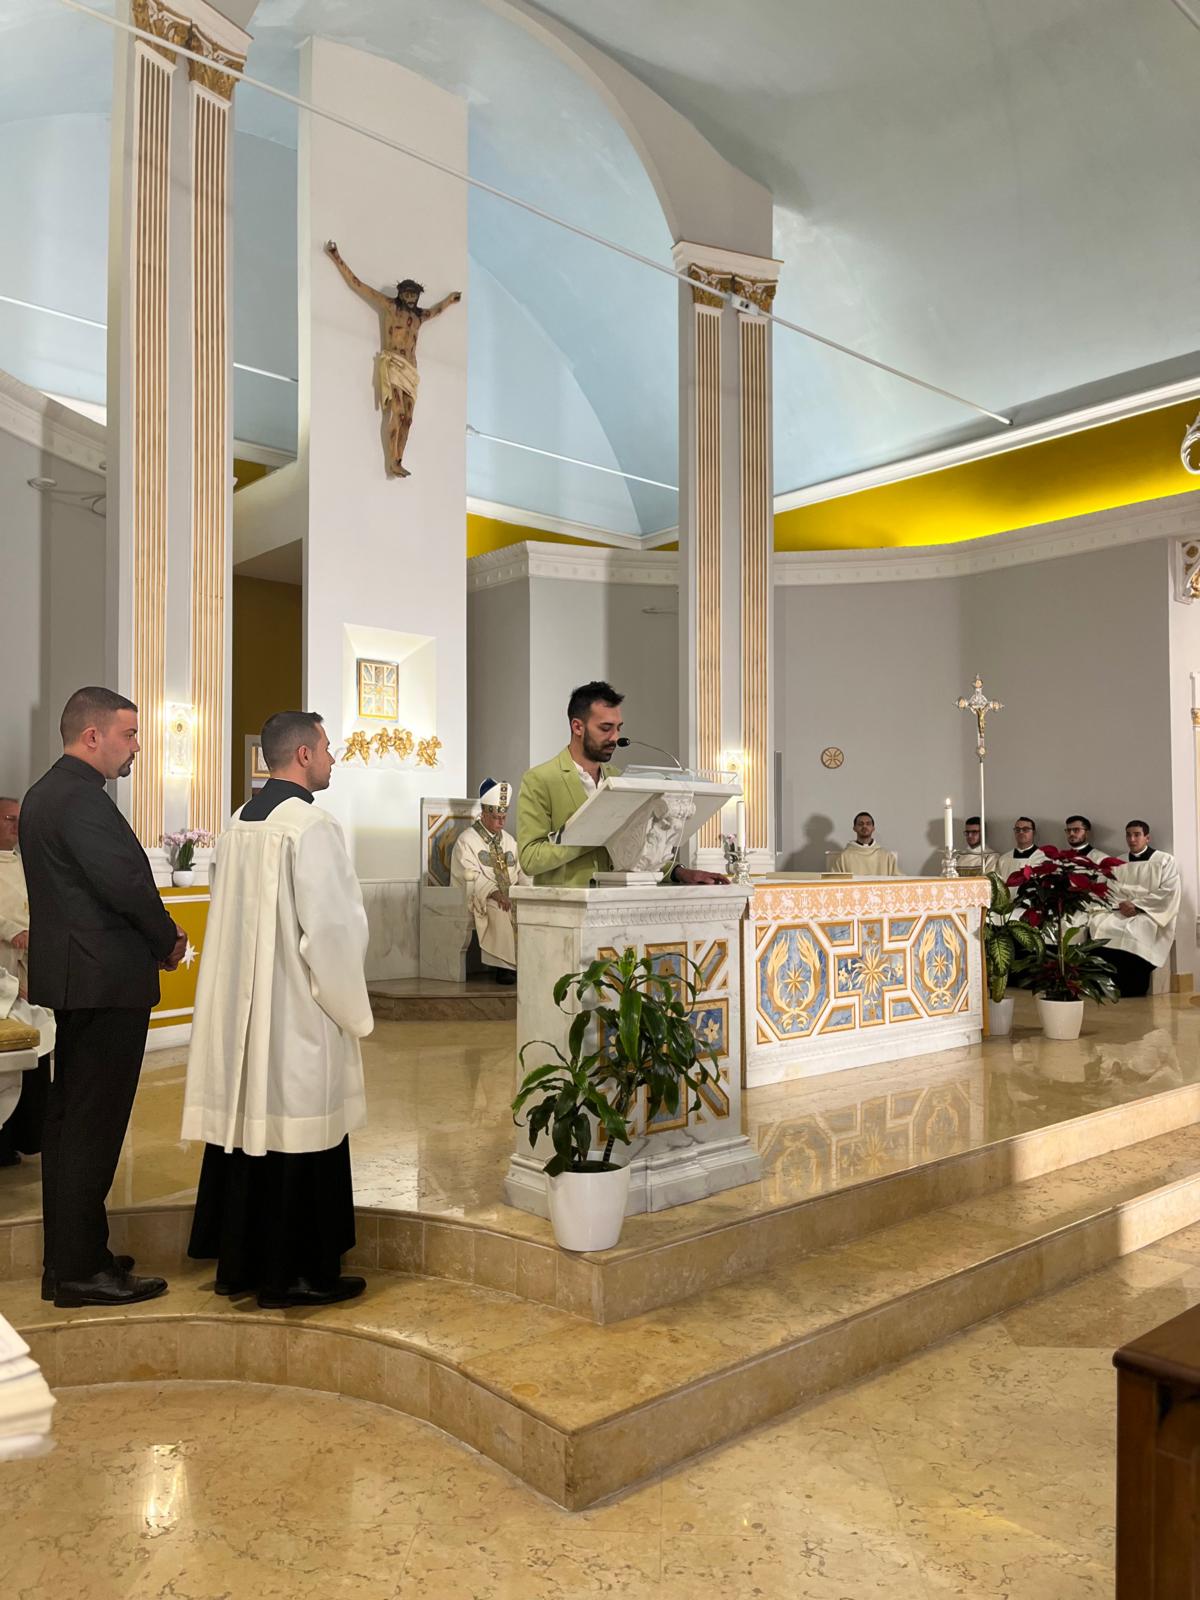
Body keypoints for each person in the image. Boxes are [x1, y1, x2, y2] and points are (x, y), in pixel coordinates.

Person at [182, 711, 373, 1309]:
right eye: (327, 748)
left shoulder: (239, 821)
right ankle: (298, 1274)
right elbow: (333, 932)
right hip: (295, 1010)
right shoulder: (311, 826)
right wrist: (350, 1008)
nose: (333, 759)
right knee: (300, 1126)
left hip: (244, 1012)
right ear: (304, 755)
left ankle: (242, 1267)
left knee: (253, 1129)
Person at [20, 688, 185, 1308]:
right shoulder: (82, 798)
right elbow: (126, 884)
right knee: (92, 1129)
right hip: (105, 982)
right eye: (129, 734)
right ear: (93, 736)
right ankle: (81, 1270)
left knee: (70, 1126)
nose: (136, 746)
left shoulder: (47, 794)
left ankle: (69, 1258)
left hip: (78, 980)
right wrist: (166, 938)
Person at [517, 681, 728, 888]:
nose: (615, 737)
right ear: (578, 727)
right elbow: (530, 859)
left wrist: (679, 872)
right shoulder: (540, 779)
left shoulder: (620, 779)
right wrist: (594, 833)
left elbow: (637, 849)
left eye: (618, 728)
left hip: (620, 902)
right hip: (570, 906)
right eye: (605, 728)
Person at [324, 241, 461, 479]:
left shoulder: (419, 317)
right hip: (394, 363)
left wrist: (450, 300)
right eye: (407, 293)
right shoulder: (390, 307)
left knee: (408, 418)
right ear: (400, 293)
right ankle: (393, 460)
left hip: (411, 370)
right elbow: (358, 284)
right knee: (397, 412)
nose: (411, 297)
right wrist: (337, 257)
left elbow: (436, 310)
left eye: (414, 294)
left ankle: (399, 458)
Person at [0, 795, 53, 1166]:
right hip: (3, 970)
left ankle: (28, 1134)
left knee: (36, 1046)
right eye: (9, 819)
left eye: (20, 819)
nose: (17, 826)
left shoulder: (26, 862)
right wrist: (10, 930)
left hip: (31, 967)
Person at [1089, 820, 1181, 997]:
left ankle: (1132, 987)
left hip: (1149, 912)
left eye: (1137, 835)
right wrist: (1121, 905)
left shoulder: (1164, 860)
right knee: (1100, 925)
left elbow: (1169, 891)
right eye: (1128, 835)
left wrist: (1137, 905)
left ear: (1147, 837)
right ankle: (1105, 985)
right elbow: (1110, 889)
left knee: (1136, 930)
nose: (1132, 839)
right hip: (1120, 909)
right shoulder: (1119, 862)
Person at [451, 779, 530, 985]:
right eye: (496, 817)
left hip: (510, 894)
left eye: (504, 817)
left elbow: (521, 871)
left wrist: (530, 892)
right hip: (481, 897)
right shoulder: (467, 840)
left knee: (529, 908)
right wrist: (494, 893)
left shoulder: (509, 840)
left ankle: (527, 964)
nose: (501, 823)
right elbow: (469, 875)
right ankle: (504, 967)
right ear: (484, 814)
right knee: (500, 907)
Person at [828, 812, 899, 877]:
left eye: (868, 824)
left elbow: (899, 880)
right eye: (860, 824)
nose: (864, 826)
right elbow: (835, 881)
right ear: (854, 828)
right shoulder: (844, 857)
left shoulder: (886, 856)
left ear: (873, 828)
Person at [997, 817, 1043, 882]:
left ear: (1034, 832)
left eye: (1025, 829)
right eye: (1017, 830)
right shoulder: (1003, 859)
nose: (1021, 832)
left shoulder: (1043, 858)